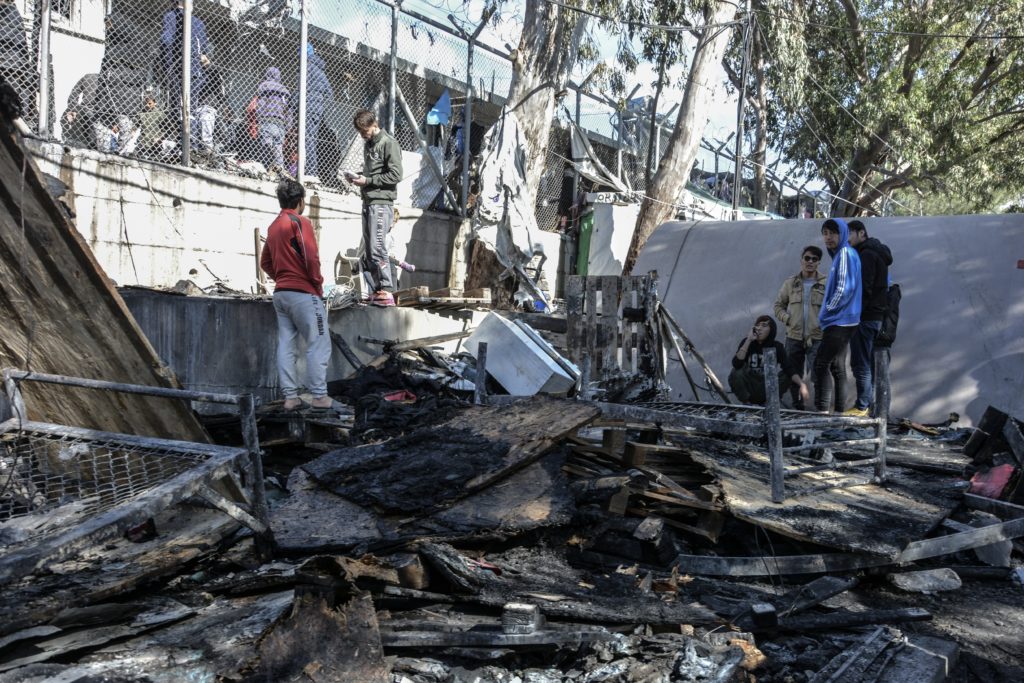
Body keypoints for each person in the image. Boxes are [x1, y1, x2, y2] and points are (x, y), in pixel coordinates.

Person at [260, 179, 332, 411]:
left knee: (286, 345)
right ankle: (320, 397)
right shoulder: (300, 222)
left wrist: (282, 277)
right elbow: (311, 258)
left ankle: (290, 397)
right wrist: (317, 284)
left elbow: (265, 262)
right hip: (304, 293)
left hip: (281, 294)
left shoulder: (273, 226)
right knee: (318, 343)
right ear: (301, 201)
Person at [350, 109, 403, 306]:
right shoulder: (369, 144)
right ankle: (376, 290)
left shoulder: (388, 143)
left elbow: (396, 175)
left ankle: (387, 290)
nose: (364, 135)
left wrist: (368, 180)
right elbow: (372, 173)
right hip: (368, 200)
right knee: (370, 250)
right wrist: (359, 177)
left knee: (378, 247)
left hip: (381, 203)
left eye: (365, 131)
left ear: (374, 124)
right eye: (361, 132)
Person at [845, 220, 893, 416]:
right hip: (878, 317)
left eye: (850, 234)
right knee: (876, 366)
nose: (847, 238)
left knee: (861, 363)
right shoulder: (879, 253)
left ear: (861, 233)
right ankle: (877, 411)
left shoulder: (866, 254)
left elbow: (864, 287)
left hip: (865, 318)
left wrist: (855, 314)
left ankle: (862, 406)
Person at [813, 218, 861, 413]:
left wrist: (827, 311)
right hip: (846, 320)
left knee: (820, 364)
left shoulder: (844, 254)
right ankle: (839, 414)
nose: (828, 237)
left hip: (840, 321)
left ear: (842, 233)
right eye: (825, 233)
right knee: (837, 367)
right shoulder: (843, 255)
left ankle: (822, 413)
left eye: (833, 232)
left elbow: (843, 289)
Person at [773, 245, 828, 410]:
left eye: (814, 259)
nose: (810, 262)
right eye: (807, 258)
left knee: (819, 375)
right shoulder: (791, 283)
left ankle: (821, 411)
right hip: (794, 337)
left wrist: (823, 324)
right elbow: (778, 306)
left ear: (819, 263)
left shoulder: (826, 283)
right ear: (801, 260)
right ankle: (798, 408)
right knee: (793, 374)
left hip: (817, 337)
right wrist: (787, 319)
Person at [91, 11, 149, 154]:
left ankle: (122, 154)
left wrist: (115, 76)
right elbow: (104, 75)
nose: (108, 29)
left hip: (125, 98)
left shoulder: (138, 47)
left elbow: (139, 76)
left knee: (125, 126)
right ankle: (104, 152)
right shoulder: (112, 47)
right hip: (108, 96)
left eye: (110, 25)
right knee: (99, 122)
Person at [729, 315, 810, 406]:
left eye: (764, 325)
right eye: (758, 325)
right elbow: (736, 364)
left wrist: (802, 384)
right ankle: (747, 405)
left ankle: (769, 402)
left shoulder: (777, 346)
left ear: (771, 330)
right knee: (736, 371)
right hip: (750, 386)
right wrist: (748, 340)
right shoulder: (747, 342)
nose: (759, 328)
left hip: (768, 387)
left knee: (786, 375)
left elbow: (788, 368)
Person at [160, 0, 210, 121]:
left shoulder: (170, 16)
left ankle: (182, 130)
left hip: (176, 67)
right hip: (195, 69)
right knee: (191, 105)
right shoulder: (199, 23)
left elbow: (166, 41)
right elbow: (204, 48)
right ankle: (188, 129)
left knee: (178, 104)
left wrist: (166, 64)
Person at [298, 42, 334, 178]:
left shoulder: (305, 69)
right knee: (311, 140)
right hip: (317, 111)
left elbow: (299, 90)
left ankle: (308, 172)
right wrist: (320, 103)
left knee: (306, 140)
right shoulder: (321, 72)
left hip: (306, 108)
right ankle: (311, 171)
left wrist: (291, 104)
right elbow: (330, 93)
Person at [253, 66, 290, 169]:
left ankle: (265, 167)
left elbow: (260, 104)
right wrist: (288, 125)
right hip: (280, 123)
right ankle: (279, 167)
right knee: (278, 147)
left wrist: (259, 118)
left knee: (266, 145)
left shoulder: (264, 86)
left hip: (267, 119)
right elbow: (288, 109)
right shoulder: (284, 90)